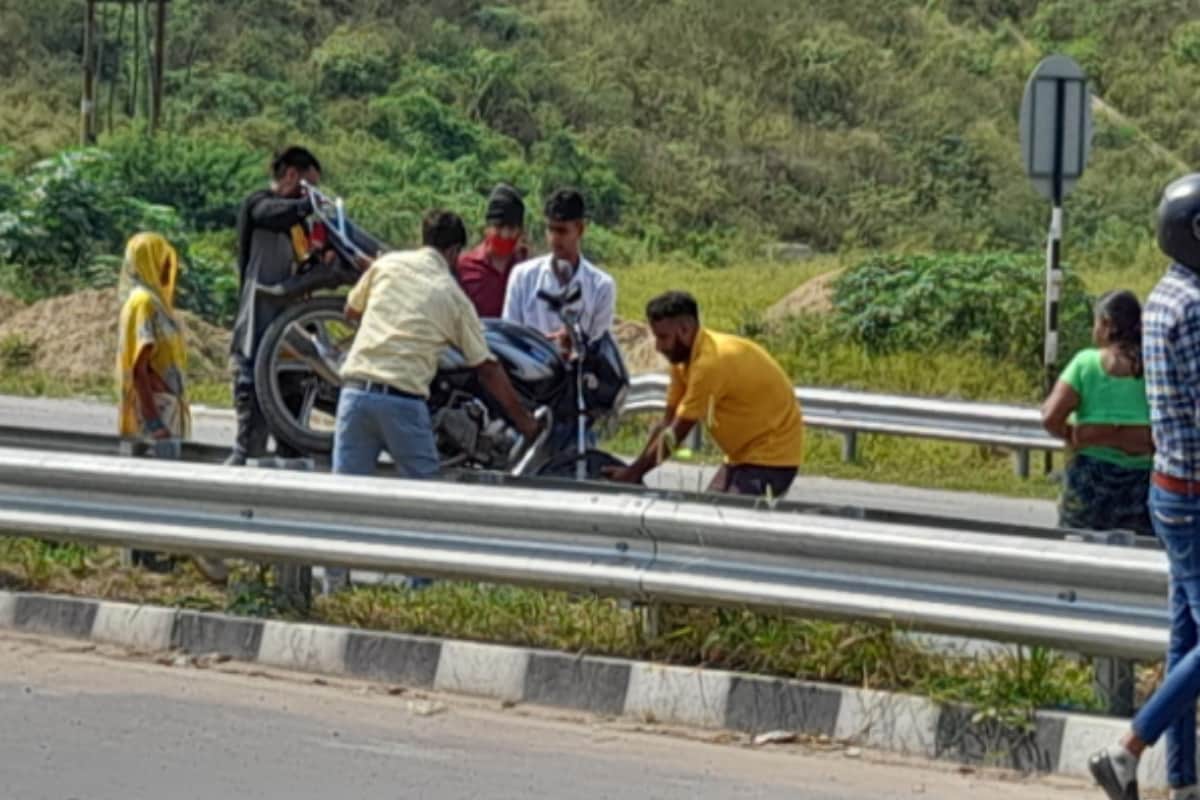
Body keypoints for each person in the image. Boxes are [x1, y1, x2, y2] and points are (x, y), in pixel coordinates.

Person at [324, 210, 541, 594]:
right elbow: (486, 367)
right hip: (403, 401)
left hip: (355, 393)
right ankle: (419, 592)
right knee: (426, 505)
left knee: (343, 504)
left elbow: (350, 310)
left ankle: (333, 589)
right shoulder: (453, 296)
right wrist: (525, 422)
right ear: (455, 251)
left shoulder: (387, 265)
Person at [1089, 174, 1200, 800]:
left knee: (1187, 640)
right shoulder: (1196, 309)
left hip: (1170, 489)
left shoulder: (1164, 295)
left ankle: (1183, 782)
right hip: (1195, 490)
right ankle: (1127, 749)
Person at [603, 291, 803, 496]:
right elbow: (667, 424)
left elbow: (675, 435)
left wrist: (633, 474)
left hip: (773, 458)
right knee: (706, 515)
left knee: (725, 520)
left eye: (663, 337)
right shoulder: (683, 361)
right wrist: (633, 470)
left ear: (686, 329)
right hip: (740, 457)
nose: (658, 346)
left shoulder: (709, 363)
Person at [116, 233, 226, 582]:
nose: (167, 267)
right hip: (156, 409)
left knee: (164, 482)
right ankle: (146, 557)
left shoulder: (156, 302)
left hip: (169, 405)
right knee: (155, 484)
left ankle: (159, 551)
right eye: (161, 259)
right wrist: (152, 419)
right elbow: (139, 367)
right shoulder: (143, 303)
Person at [226, 146, 322, 466]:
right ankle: (243, 462)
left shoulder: (298, 223)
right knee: (251, 398)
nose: (311, 195)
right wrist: (307, 204)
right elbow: (273, 215)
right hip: (258, 320)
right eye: (308, 185)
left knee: (291, 406)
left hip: (288, 330)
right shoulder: (260, 204)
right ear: (291, 176)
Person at [1042, 290, 1153, 538]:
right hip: (1142, 482)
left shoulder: (1086, 363)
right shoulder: (1154, 365)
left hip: (1089, 480)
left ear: (1105, 323)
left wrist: (1074, 435)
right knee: (1139, 556)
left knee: (1079, 552)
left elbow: (1050, 416)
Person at [502, 187, 615, 347]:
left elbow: (600, 346)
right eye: (550, 229)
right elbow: (510, 336)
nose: (554, 239)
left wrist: (576, 341)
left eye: (562, 231)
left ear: (580, 229)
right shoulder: (522, 277)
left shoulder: (601, 286)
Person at [456, 183, 528, 318]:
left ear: (520, 231)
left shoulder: (526, 268)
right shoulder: (463, 266)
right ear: (487, 227)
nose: (505, 235)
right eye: (499, 228)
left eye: (511, 229)